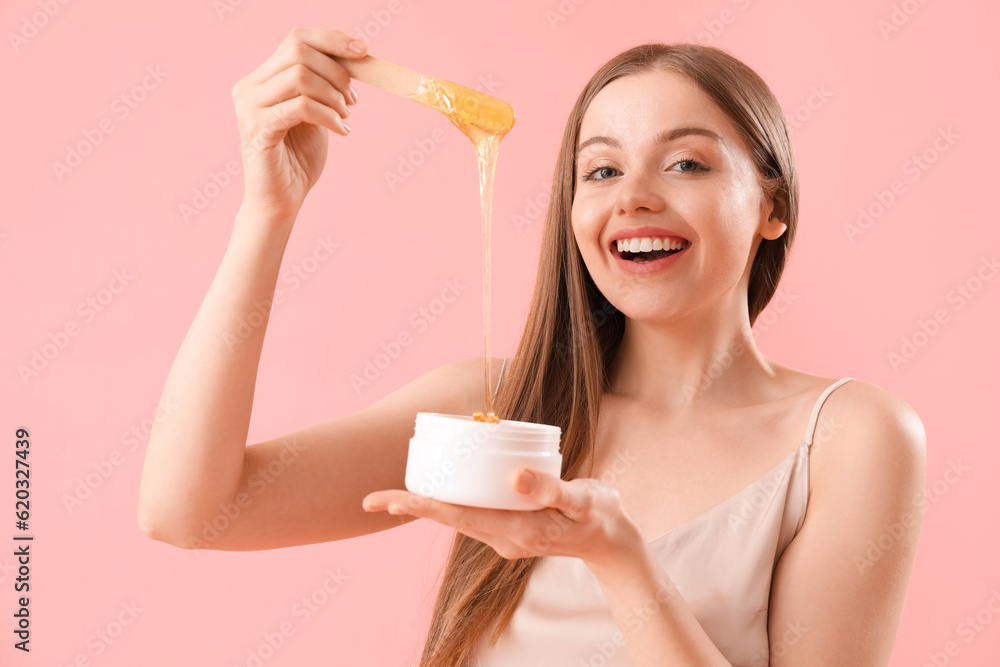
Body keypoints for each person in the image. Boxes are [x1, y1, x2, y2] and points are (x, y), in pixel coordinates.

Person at [137, 28, 927, 666]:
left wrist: (618, 559)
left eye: (686, 162)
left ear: (772, 206)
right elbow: (188, 509)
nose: (634, 197)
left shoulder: (850, 437)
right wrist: (267, 211)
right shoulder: (495, 410)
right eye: (601, 169)